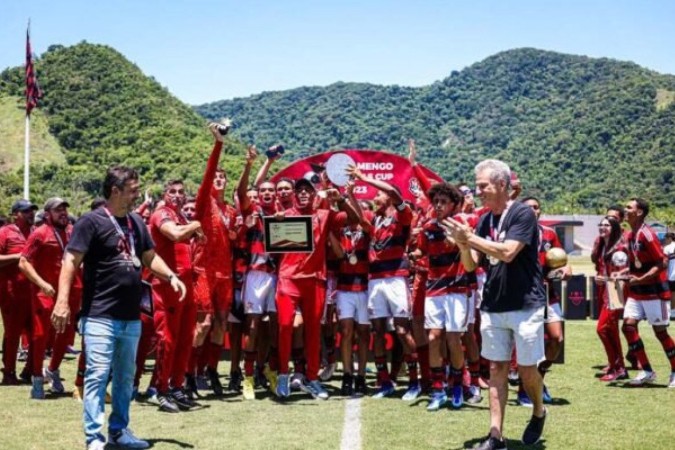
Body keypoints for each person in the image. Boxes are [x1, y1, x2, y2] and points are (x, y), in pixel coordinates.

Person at [51, 165, 186, 450]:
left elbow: (149, 257)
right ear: (115, 191)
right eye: (133, 189)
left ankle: (119, 430)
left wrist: (171, 276)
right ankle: (94, 438)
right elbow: (70, 262)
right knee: (98, 376)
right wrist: (62, 301)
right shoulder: (91, 222)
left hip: (130, 317)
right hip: (100, 314)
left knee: (125, 379)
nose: (137, 194)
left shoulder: (136, 222)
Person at [444, 160, 547, 449]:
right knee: (497, 370)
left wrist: (470, 237)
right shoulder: (484, 220)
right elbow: (470, 266)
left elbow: (508, 252)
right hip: (493, 305)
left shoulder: (523, 213)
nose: (478, 192)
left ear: (502, 184)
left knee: (527, 371)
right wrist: (464, 246)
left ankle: (538, 409)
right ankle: (495, 436)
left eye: (483, 186)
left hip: (526, 304)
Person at [273, 176, 356, 400]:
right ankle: (283, 374)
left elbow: (352, 219)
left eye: (307, 190)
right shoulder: (284, 216)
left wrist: (341, 199)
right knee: (285, 326)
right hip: (288, 279)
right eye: (298, 189)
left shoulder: (324, 215)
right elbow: (270, 242)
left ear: (313, 193)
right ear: (292, 194)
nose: (302, 193)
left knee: (313, 331)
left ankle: (312, 378)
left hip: (315, 280)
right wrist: (276, 222)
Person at [347, 164, 420, 400]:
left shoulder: (402, 215)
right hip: (375, 281)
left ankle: (414, 381)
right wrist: (349, 194)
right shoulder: (375, 221)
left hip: (395, 279)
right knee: (377, 331)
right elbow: (360, 217)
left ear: (388, 197)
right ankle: (384, 381)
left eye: (378, 195)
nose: (374, 198)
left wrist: (363, 178)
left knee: (401, 329)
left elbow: (396, 194)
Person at [411, 182, 475, 411]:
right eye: (435, 201)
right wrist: (413, 252)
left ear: (453, 205)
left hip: (457, 289)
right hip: (434, 289)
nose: (438, 205)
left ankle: (457, 386)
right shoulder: (428, 227)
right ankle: (438, 390)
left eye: (443, 202)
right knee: (433, 337)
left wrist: (457, 239)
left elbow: (469, 252)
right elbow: (422, 251)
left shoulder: (461, 225)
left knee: (453, 338)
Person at [18, 197, 82, 398]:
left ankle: (52, 370)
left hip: (71, 291)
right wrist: (42, 283)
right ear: (47, 214)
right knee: (40, 335)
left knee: (65, 334)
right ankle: (37, 377)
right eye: (57, 210)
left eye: (64, 209)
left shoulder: (73, 232)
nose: (62, 213)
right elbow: (23, 262)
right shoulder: (40, 234)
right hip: (45, 293)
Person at [149, 179, 203, 412]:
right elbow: (173, 235)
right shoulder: (162, 214)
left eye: (181, 192)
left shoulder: (181, 217)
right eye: (173, 191)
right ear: (165, 194)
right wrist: (197, 224)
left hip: (186, 286)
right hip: (167, 285)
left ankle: (177, 386)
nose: (178, 195)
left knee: (184, 339)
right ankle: (159, 390)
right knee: (167, 339)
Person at [520, 196, 571, 405]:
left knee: (556, 339)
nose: (533, 210)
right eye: (528, 207)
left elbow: (561, 261)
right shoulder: (516, 234)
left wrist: (566, 269)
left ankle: (539, 378)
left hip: (549, 294)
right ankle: (524, 389)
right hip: (525, 297)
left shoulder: (549, 234)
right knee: (529, 343)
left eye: (536, 207)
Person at [621, 198, 675, 388]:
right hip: (637, 292)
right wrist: (622, 274)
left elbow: (662, 263)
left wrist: (641, 279)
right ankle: (646, 370)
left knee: (660, 332)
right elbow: (635, 263)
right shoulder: (629, 235)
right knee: (628, 326)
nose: (625, 209)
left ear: (639, 212)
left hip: (655, 292)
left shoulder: (647, 234)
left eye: (629, 207)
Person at [0, 199, 37, 385]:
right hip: (12, 292)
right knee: (13, 333)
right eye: (26, 211)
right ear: (15, 214)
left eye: (32, 211)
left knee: (37, 333)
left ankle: (30, 370)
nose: (31, 214)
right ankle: (8, 372)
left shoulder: (35, 232)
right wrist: (17, 257)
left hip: (34, 292)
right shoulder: (5, 233)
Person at [591, 216, 628, 381]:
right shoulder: (602, 246)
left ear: (614, 228)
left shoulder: (619, 248)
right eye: (601, 224)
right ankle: (619, 368)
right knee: (611, 330)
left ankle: (616, 366)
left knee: (603, 329)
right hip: (605, 291)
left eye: (606, 225)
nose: (602, 227)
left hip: (615, 291)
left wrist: (604, 279)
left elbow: (623, 274)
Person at [664, 232, 675, 319]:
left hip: (672, 275)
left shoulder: (667, 248)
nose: (665, 240)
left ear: (670, 238)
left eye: (666, 239)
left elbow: (664, 263)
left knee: (672, 294)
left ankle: (672, 312)